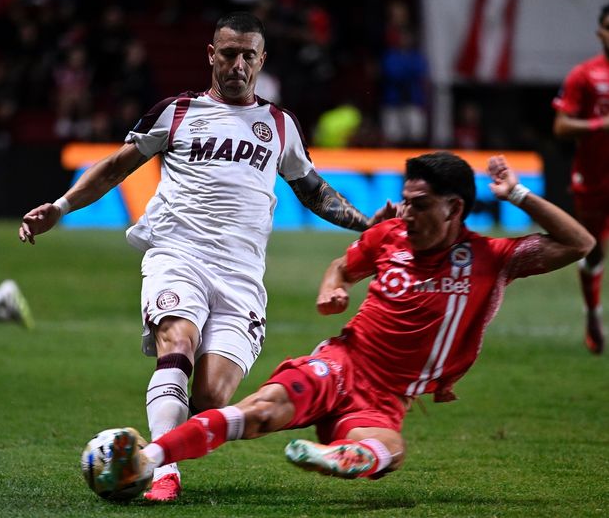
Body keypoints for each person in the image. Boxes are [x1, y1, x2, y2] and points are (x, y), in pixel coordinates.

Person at [18, 11, 392, 501]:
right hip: (178, 253)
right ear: (211, 55)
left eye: (248, 55)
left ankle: (158, 454)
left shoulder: (280, 126)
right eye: (229, 53)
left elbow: (313, 190)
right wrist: (62, 207)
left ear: (261, 61)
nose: (238, 64)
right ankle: (163, 475)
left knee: (213, 396)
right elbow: (113, 168)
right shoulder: (176, 112)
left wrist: (367, 224)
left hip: (241, 276)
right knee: (178, 340)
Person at [93, 152, 594, 497]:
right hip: (342, 361)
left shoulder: (492, 258)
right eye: (406, 202)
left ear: (455, 208)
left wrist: (518, 194)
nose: (408, 215)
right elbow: (343, 265)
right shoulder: (389, 237)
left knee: (392, 448)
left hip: (387, 397)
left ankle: (345, 455)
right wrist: (333, 286)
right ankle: (149, 459)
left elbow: (579, 244)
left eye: (421, 206)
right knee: (260, 410)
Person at [552, 3, 609, 355]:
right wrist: (598, 125)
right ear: (599, 33)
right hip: (593, 179)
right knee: (592, 251)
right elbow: (560, 127)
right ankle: (592, 312)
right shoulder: (584, 75)